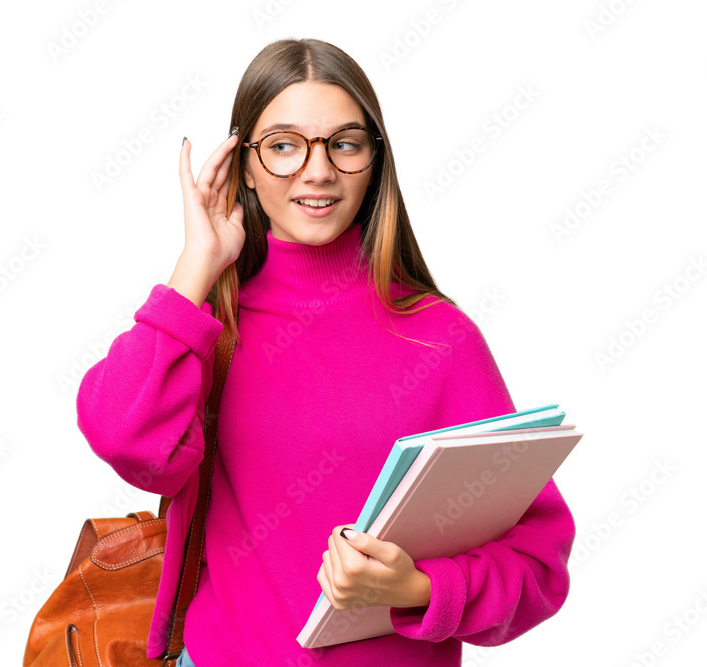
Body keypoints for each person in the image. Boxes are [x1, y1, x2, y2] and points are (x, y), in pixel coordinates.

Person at [76, 37, 575, 666]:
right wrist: (195, 267)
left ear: (374, 160)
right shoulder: (207, 325)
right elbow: (124, 438)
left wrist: (417, 589)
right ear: (245, 166)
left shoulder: (439, 339)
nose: (317, 172)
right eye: (284, 146)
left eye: (344, 143)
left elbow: (537, 563)